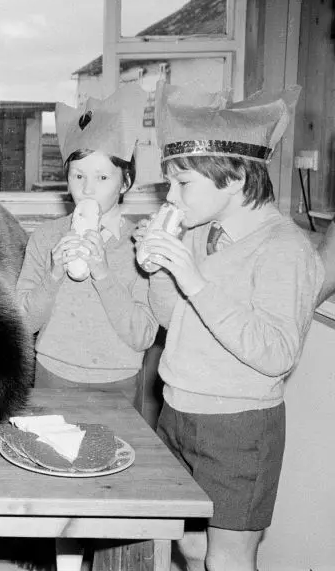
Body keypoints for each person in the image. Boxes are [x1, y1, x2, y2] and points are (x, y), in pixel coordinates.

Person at [139, 83, 322, 571]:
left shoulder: (285, 249)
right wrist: (159, 266)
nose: (171, 196)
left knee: (228, 559)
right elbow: (170, 319)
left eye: (184, 183)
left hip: (239, 427)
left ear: (237, 176)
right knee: (192, 547)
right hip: (178, 411)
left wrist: (195, 281)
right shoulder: (198, 232)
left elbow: (277, 352)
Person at [16, 84, 158, 414]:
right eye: (78, 175)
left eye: (102, 178)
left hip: (119, 383)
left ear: (125, 183)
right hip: (54, 375)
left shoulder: (142, 241)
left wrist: (104, 274)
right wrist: (52, 276)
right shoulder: (46, 238)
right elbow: (23, 324)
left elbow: (143, 335)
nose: (87, 188)